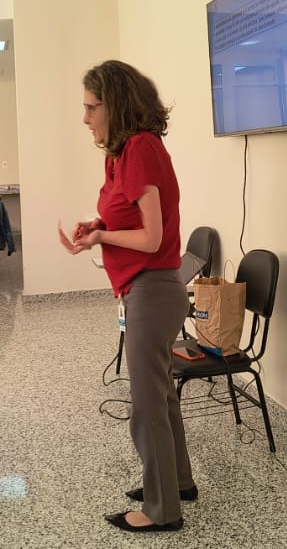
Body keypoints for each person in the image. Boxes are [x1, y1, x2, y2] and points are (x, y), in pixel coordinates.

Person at [60, 60, 192, 533]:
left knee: (146, 405)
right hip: (145, 287)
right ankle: (179, 482)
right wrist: (99, 226)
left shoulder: (139, 148)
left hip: (154, 287)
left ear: (115, 105)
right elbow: (129, 220)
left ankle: (161, 511)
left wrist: (101, 239)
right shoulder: (122, 153)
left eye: (91, 107)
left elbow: (152, 238)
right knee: (159, 396)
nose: (86, 118)